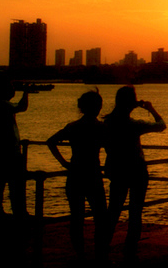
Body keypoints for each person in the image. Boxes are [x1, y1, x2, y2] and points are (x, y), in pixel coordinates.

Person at [103, 86, 165, 261]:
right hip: (136, 169)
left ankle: (104, 243)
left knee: (113, 209)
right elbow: (161, 126)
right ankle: (131, 247)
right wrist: (151, 109)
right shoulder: (134, 125)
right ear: (132, 102)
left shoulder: (108, 123)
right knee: (136, 211)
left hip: (116, 169)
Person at [47, 89, 107, 262]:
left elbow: (51, 141)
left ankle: (80, 253)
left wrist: (64, 163)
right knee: (100, 216)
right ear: (98, 107)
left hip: (75, 173)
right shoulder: (101, 128)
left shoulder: (73, 127)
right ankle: (99, 253)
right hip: (93, 173)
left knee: (77, 217)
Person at [0, 77, 31, 218]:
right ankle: (20, 213)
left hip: (7, 151)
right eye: (10, 87)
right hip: (9, 152)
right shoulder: (4, 105)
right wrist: (26, 93)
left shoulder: (5, 105)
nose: (13, 90)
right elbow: (21, 107)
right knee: (16, 185)